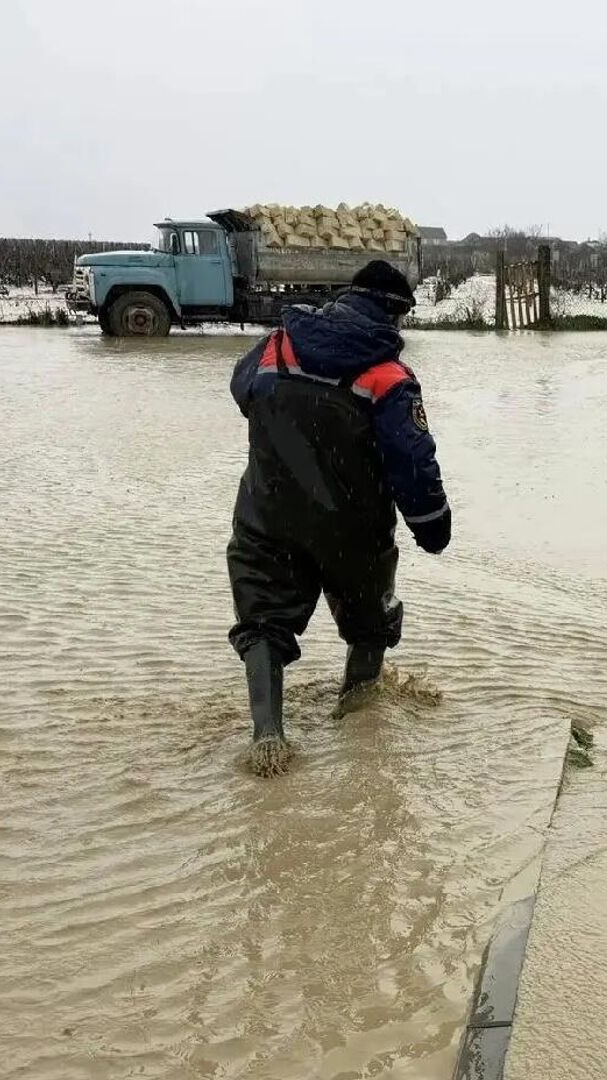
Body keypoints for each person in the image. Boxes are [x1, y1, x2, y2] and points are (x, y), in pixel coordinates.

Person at [225, 260, 450, 774]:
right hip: (353, 530)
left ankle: (268, 738)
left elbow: (243, 392)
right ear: (395, 315)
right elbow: (412, 462)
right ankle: (358, 725)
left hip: (267, 517)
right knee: (370, 622)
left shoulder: (274, 347)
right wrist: (432, 525)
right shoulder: (388, 377)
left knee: (263, 621)